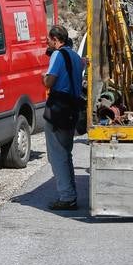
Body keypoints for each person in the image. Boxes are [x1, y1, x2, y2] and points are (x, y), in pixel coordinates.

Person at [42, 24, 84, 211]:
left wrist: (43, 79)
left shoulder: (58, 55)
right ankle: (70, 195)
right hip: (72, 109)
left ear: (55, 40)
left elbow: (50, 81)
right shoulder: (75, 57)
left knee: (57, 155)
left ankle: (67, 197)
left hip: (58, 109)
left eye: (48, 40)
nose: (47, 43)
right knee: (66, 154)